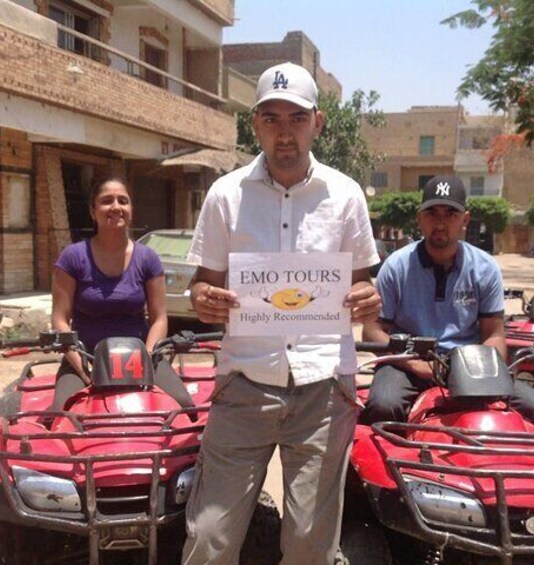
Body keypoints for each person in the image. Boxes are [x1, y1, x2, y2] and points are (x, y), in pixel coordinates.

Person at [181, 62, 381, 565]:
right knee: (209, 539)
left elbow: (363, 281)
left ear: (318, 122)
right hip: (245, 382)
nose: (283, 130)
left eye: (295, 117)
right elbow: (202, 285)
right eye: (271, 117)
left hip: (323, 388)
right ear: (255, 125)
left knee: (310, 546)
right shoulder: (225, 195)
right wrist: (202, 298)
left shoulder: (346, 195)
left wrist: (368, 296)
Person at [360, 174, 534, 432]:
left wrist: (486, 369)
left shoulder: (485, 268)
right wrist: (415, 364)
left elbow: (494, 334)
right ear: (419, 219)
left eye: (450, 213)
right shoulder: (396, 266)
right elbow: (373, 330)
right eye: (432, 213)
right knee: (383, 407)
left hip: (468, 364)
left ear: (465, 219)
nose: (440, 223)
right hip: (407, 364)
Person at [49, 177, 167, 410]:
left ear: (131, 210)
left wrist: (148, 356)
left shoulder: (148, 258)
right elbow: (59, 319)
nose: (115, 207)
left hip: (141, 360)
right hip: (86, 360)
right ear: (93, 211)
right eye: (106, 201)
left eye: (123, 201)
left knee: (183, 406)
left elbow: (160, 318)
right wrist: (82, 366)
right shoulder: (72, 257)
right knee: (60, 415)